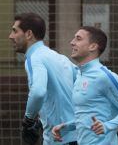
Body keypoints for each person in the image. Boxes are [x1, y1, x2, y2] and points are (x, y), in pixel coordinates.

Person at [52, 26, 118, 144]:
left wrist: (107, 126)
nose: (72, 43)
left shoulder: (105, 76)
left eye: (78, 39)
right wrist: (67, 126)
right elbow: (88, 117)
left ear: (93, 46)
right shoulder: (80, 76)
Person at [10, 13, 77, 145]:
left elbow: (38, 92)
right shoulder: (59, 57)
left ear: (29, 34)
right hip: (78, 136)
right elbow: (78, 87)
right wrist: (42, 120)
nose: (10, 36)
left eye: (14, 31)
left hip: (59, 139)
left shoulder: (34, 57)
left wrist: (28, 120)